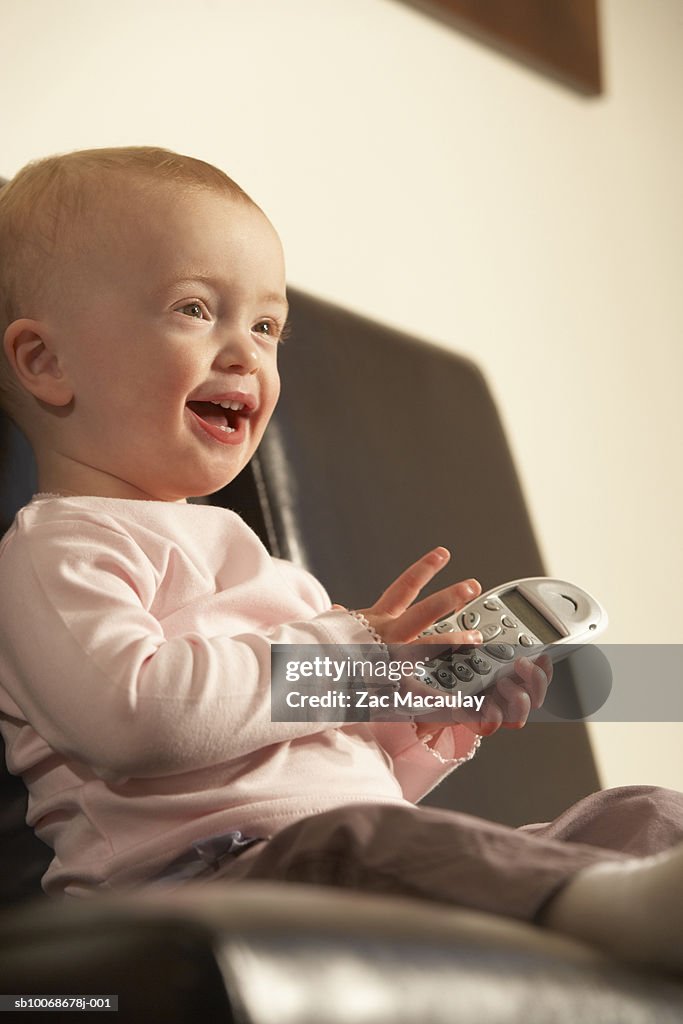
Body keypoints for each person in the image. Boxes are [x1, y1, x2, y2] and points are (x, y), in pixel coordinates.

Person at [0, 147, 681, 974]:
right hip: (207, 879)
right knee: (370, 841)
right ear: (45, 361)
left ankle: (625, 898)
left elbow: (322, 772)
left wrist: (415, 725)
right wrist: (350, 653)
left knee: (637, 814)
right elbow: (133, 717)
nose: (245, 352)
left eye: (264, 326)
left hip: (335, 852)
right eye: (192, 309)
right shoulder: (57, 547)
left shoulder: (258, 564)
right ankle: (612, 912)